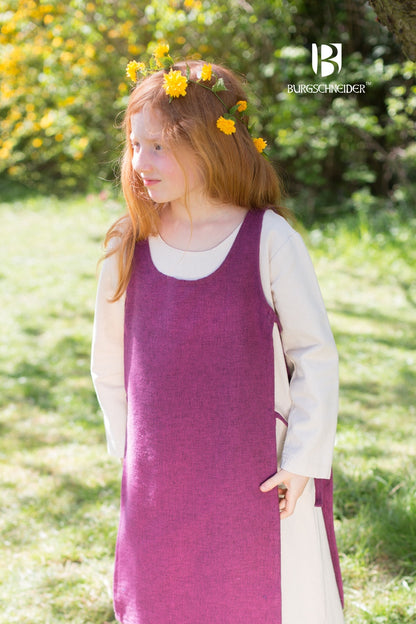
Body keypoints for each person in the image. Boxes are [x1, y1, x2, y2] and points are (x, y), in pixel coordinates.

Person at [91, 49, 344, 624]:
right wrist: (135, 456)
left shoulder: (269, 239)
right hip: (162, 477)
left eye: (159, 146)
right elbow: (108, 364)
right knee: (167, 594)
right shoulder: (128, 244)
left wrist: (302, 461)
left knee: (265, 594)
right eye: (134, 144)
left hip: (259, 474)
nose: (140, 162)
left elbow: (315, 356)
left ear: (209, 144)